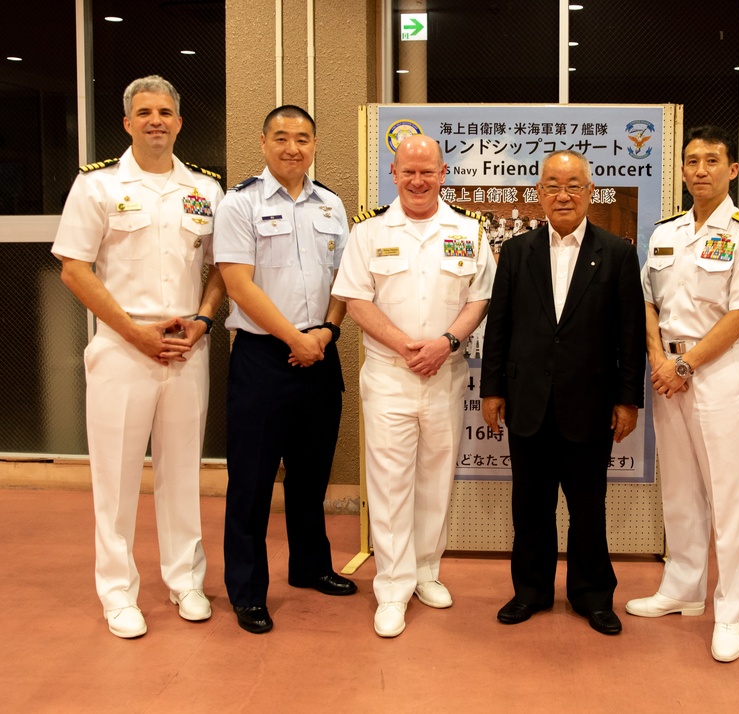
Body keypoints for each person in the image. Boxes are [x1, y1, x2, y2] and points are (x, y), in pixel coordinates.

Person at [52, 75, 224, 638]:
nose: (156, 120)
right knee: (118, 477)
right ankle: (118, 593)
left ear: (179, 121)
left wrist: (201, 321)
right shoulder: (98, 186)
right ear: (127, 122)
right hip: (121, 345)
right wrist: (134, 332)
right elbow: (75, 268)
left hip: (185, 346)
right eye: (145, 112)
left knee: (181, 472)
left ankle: (185, 581)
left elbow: (221, 270)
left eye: (166, 111)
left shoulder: (204, 190)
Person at [332, 135, 495, 638]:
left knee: (435, 477)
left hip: (445, 372)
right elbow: (357, 300)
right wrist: (407, 347)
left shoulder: (469, 230)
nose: (419, 181)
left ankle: (426, 569)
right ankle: (392, 585)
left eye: (428, 172)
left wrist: (444, 343)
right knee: (389, 482)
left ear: (443, 173)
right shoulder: (368, 232)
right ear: (394, 173)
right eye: (409, 172)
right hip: (389, 376)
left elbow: (480, 298)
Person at [481, 149, 646, 636]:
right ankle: (529, 592)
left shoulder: (616, 252)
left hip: (590, 406)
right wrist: (492, 390)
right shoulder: (515, 252)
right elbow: (499, 328)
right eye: (552, 185)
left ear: (590, 193)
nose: (563, 195)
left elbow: (629, 335)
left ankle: (592, 595)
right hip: (528, 402)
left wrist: (627, 399)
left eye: (573, 185)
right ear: (539, 194)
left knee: (587, 509)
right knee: (529, 507)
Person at [625, 126, 739, 662]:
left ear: (732, 170)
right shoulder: (666, 233)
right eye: (692, 161)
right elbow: (646, 300)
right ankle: (683, 588)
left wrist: (685, 363)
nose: (701, 170)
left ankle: (730, 608)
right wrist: (661, 360)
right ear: (683, 171)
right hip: (668, 369)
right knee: (681, 486)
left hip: (718, 371)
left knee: (727, 494)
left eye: (713, 160)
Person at [214, 105, 356, 635]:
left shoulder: (332, 206)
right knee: (250, 481)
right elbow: (238, 283)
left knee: (311, 473)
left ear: (315, 144)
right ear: (264, 142)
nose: (292, 147)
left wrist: (325, 333)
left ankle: (311, 566)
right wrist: (293, 337)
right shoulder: (240, 203)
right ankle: (248, 590)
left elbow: (344, 280)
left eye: (302, 138)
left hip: (320, 352)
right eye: (281, 137)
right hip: (264, 357)